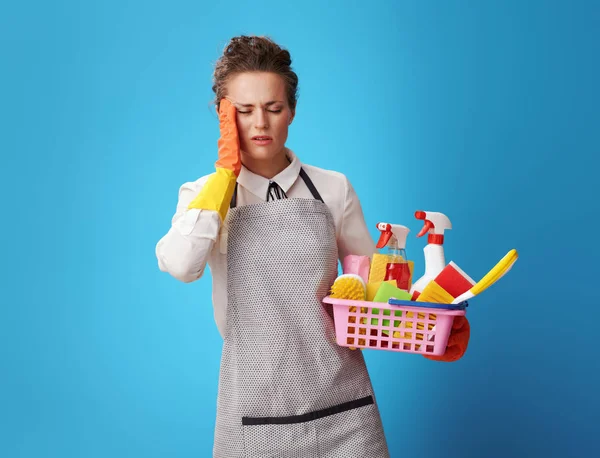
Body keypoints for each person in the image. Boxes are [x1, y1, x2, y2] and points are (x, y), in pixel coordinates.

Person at [156, 35, 469, 458]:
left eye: (273, 108)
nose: (260, 124)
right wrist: (222, 178)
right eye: (244, 111)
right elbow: (180, 264)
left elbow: (372, 295)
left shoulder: (332, 189)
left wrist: (427, 329)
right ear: (222, 116)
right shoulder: (204, 195)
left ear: (293, 111)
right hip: (253, 415)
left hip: (345, 411)